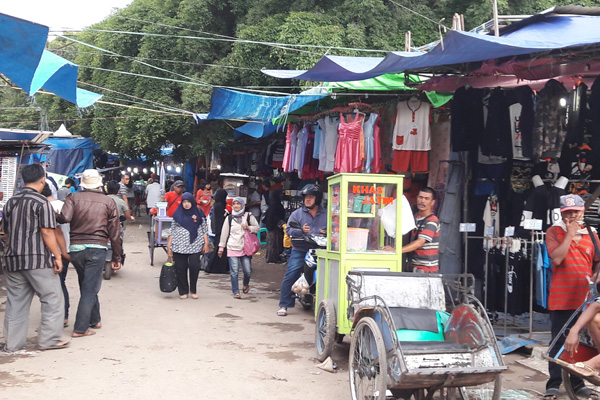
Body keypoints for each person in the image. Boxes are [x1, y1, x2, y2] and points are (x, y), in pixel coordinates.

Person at [2, 164, 69, 351]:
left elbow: (6, 232)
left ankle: (12, 344)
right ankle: (49, 340)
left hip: (14, 259)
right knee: (53, 298)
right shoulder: (42, 203)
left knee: (16, 303)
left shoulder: (11, 202)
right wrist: (57, 256)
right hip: (37, 259)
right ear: (43, 179)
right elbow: (47, 232)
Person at [544, 194, 600, 399]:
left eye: (576, 212)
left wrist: (595, 275)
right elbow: (557, 259)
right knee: (559, 340)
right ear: (562, 213)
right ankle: (553, 382)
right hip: (561, 297)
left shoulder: (592, 234)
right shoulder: (553, 232)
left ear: (582, 211)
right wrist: (570, 234)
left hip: (585, 299)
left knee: (580, 342)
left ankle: (577, 382)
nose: (572, 216)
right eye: (568, 213)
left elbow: (598, 261)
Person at [57, 169, 123, 338]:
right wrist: (117, 256)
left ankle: (95, 319)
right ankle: (80, 328)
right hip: (98, 248)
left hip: (77, 249)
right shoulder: (108, 202)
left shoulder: (73, 198)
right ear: (99, 184)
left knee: (87, 285)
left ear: (82, 184)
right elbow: (115, 233)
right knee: (89, 288)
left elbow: (64, 218)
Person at [277, 184, 327, 316]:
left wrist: (328, 231)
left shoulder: (327, 214)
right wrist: (301, 231)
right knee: (292, 273)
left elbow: (336, 227)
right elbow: (289, 229)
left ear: (317, 199)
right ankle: (284, 305)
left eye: (311, 197)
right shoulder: (297, 214)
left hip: (320, 250)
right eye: (306, 197)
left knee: (328, 275)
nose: (307, 200)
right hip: (300, 249)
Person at [167, 193, 210, 299]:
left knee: (194, 266)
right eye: (184, 202)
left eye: (188, 202)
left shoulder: (198, 213)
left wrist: (206, 243)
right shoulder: (177, 214)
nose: (186, 204)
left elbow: (204, 229)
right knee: (180, 268)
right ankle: (183, 290)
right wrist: (169, 246)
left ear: (192, 202)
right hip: (178, 245)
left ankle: (193, 289)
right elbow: (172, 230)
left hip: (195, 244)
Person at [42, 183, 72, 329]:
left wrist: (60, 254)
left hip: (53, 251)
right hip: (65, 249)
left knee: (53, 287)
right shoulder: (65, 205)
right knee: (60, 284)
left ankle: (57, 318)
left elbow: (55, 231)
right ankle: (64, 316)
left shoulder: (42, 206)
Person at [218, 197, 260, 298]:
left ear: (242, 205)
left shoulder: (248, 216)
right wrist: (221, 247)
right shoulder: (229, 218)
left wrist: (248, 228)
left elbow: (257, 228)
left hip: (245, 248)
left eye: (238, 204)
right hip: (232, 247)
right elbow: (224, 233)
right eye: (234, 204)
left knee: (247, 271)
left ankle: (246, 284)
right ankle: (236, 291)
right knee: (234, 271)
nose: (236, 206)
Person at [401, 187, 440, 273]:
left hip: (426, 270)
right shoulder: (414, 218)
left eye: (426, 199)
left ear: (432, 202)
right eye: (420, 197)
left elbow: (420, 242)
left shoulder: (432, 220)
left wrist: (397, 250)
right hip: (412, 266)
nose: (422, 201)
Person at [205, 189, 230, 274]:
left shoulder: (217, 205)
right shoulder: (220, 206)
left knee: (218, 249)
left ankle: (216, 267)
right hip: (221, 230)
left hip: (218, 230)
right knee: (220, 249)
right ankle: (217, 267)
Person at [264, 189, 285, 263]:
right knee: (273, 242)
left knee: (275, 242)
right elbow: (272, 215)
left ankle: (274, 257)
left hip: (273, 225)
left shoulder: (275, 203)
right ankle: (272, 258)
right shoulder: (274, 204)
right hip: (273, 225)